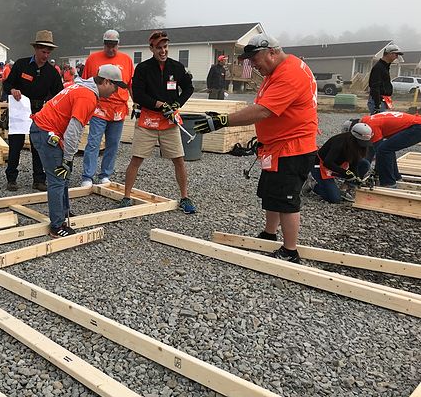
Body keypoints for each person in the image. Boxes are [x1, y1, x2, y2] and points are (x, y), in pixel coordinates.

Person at [194, 33, 318, 264]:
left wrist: (223, 120)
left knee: (288, 200)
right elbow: (262, 105)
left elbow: (263, 111)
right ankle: (269, 234)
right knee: (273, 194)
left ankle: (290, 251)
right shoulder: (278, 70)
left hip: (292, 147)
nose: (253, 65)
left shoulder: (289, 74)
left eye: (255, 59)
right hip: (276, 146)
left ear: (271, 52)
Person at [30, 64, 125, 237]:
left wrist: (68, 158)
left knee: (64, 175)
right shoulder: (87, 96)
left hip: (45, 129)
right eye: (115, 86)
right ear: (106, 81)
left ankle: (63, 212)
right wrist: (67, 158)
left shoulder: (83, 87)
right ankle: (56, 226)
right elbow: (74, 129)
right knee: (58, 178)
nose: (116, 91)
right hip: (46, 131)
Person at [119, 30, 196, 214]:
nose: (163, 51)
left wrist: (177, 103)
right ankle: (126, 197)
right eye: (159, 47)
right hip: (148, 122)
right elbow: (138, 94)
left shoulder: (176, 67)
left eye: (165, 47)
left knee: (179, 160)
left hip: (169, 122)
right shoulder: (143, 68)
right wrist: (158, 104)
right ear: (151, 48)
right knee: (136, 159)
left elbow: (188, 87)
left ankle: (185, 197)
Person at [2, 30, 64, 192]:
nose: (45, 55)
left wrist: (51, 104)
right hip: (20, 110)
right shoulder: (21, 65)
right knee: (15, 145)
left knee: (39, 146)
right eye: (43, 51)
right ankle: (11, 178)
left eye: (48, 52)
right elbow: (7, 84)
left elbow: (59, 93)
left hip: (40, 111)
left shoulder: (52, 72)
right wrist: (13, 89)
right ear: (36, 49)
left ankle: (38, 179)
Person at [80, 29, 134, 187]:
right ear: (103, 44)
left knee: (113, 143)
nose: (111, 49)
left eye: (114, 45)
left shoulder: (126, 60)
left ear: (118, 44)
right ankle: (87, 176)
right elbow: (85, 82)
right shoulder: (93, 59)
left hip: (118, 108)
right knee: (93, 142)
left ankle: (105, 174)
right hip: (98, 107)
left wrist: (136, 103)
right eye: (108, 45)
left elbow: (131, 84)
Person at [304, 123, 373, 203]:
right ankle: (312, 185)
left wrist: (356, 177)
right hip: (321, 165)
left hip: (338, 164)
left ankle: (345, 188)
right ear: (354, 137)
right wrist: (345, 173)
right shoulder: (339, 142)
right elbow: (327, 163)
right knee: (335, 199)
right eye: (361, 142)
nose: (363, 145)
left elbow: (354, 162)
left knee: (365, 164)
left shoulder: (358, 145)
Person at [355, 111, 421, 187]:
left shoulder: (371, 126)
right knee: (388, 148)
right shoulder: (370, 119)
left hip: (417, 127)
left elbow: (377, 151)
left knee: (384, 150)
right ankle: (396, 178)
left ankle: (388, 183)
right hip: (416, 124)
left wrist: (372, 171)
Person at [368, 44, 404, 114]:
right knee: (378, 123)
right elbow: (375, 86)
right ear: (390, 54)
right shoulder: (379, 67)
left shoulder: (385, 67)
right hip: (378, 101)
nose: (396, 57)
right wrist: (377, 105)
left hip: (383, 100)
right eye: (396, 55)